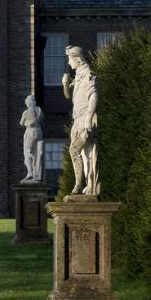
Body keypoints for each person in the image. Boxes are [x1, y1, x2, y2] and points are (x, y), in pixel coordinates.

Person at [62, 46, 99, 196]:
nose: (69, 63)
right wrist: (65, 85)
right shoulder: (78, 76)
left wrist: (89, 119)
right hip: (77, 120)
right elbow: (68, 96)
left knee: (74, 150)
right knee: (85, 155)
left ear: (77, 59)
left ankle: (78, 185)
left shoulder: (88, 74)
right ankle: (89, 186)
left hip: (85, 119)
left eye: (70, 59)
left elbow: (93, 96)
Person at [19, 94, 44, 182]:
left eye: (27, 102)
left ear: (29, 103)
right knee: (37, 153)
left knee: (27, 153)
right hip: (39, 132)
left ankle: (30, 173)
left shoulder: (26, 112)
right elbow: (41, 118)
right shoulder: (39, 110)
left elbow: (21, 123)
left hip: (31, 132)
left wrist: (27, 123)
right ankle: (36, 173)